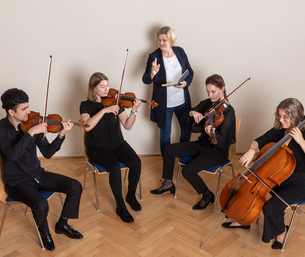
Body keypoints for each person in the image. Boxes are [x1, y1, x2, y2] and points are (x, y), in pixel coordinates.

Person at [222, 98, 305, 250]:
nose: (280, 120)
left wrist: (301, 141)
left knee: (270, 208)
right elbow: (257, 141)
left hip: (295, 185)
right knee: (247, 196)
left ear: (295, 116)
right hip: (272, 179)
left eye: (284, 117)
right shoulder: (279, 131)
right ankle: (243, 219)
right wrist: (251, 151)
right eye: (279, 116)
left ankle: (281, 232)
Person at [0, 88, 83, 251]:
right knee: (41, 205)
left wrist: (61, 134)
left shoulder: (32, 122)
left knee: (75, 186)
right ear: (11, 112)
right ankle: (45, 234)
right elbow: (12, 155)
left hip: (38, 175)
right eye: (24, 109)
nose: (28, 112)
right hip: (17, 183)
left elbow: (47, 153)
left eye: (28, 107)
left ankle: (62, 224)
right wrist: (31, 132)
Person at [150, 74, 236, 210]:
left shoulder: (229, 112)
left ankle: (207, 195)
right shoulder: (208, 104)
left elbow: (223, 143)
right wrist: (193, 113)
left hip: (216, 152)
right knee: (168, 149)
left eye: (213, 91)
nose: (210, 95)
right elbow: (186, 116)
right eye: (208, 91)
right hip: (201, 144)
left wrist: (213, 134)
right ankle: (167, 182)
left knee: (187, 171)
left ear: (223, 89)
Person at [80, 72, 142, 223]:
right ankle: (120, 205)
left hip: (117, 144)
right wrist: (103, 111)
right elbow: (86, 127)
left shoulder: (116, 102)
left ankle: (130, 195)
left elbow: (127, 126)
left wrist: (134, 110)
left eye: (107, 85)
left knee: (136, 162)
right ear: (94, 88)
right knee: (114, 168)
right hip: (97, 148)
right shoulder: (85, 105)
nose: (107, 89)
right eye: (102, 86)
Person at [142, 26, 194, 152]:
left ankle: (182, 155)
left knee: (186, 129)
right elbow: (145, 79)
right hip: (164, 104)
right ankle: (167, 161)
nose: (161, 43)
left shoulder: (180, 52)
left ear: (171, 40)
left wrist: (186, 83)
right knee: (165, 135)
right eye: (159, 40)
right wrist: (153, 73)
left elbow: (190, 71)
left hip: (181, 101)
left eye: (164, 40)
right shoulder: (154, 56)